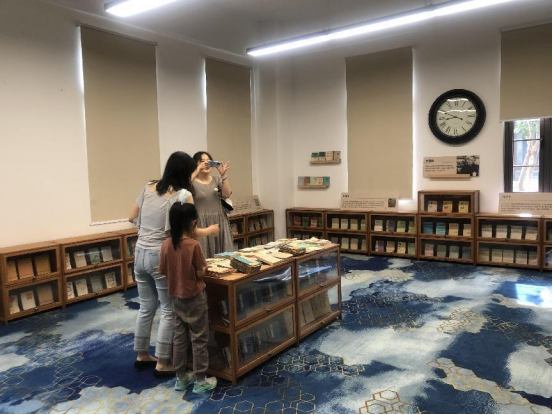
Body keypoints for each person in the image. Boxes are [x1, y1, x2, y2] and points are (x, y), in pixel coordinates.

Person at [128, 152, 219, 378]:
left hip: (139, 253)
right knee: (169, 310)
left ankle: (142, 355)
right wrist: (210, 230)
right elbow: (190, 231)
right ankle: (162, 362)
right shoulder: (183, 195)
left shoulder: (148, 187)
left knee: (146, 307)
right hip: (161, 254)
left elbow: (131, 216)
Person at [160, 202, 217, 394]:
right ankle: (200, 379)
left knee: (179, 337)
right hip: (195, 297)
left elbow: (163, 270)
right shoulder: (194, 245)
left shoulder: (166, 244)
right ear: (193, 222)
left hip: (176, 297)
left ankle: (181, 377)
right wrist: (204, 269)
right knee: (199, 338)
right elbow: (200, 272)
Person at [192, 152, 234, 258]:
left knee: (224, 257)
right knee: (204, 256)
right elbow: (184, 189)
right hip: (201, 223)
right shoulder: (192, 182)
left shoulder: (216, 179)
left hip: (219, 221)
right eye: (202, 161)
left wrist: (223, 175)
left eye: (208, 161)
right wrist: (197, 170)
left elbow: (227, 194)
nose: (206, 164)